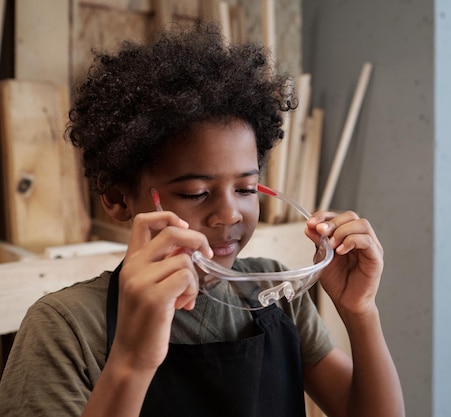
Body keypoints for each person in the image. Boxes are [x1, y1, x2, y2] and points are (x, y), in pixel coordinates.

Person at [0, 23, 404, 417]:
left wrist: (359, 310)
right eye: (195, 193)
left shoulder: (278, 296)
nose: (229, 213)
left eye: (246, 188)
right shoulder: (65, 327)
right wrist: (132, 361)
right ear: (118, 198)